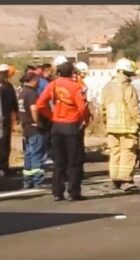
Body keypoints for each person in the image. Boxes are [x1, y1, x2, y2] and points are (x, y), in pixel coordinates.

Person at [36, 61, 88, 201]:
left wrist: (50, 115)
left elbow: (40, 104)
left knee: (59, 161)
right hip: (71, 126)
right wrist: (83, 120)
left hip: (57, 126)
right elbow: (82, 107)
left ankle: (57, 192)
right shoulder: (75, 87)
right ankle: (73, 192)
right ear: (72, 72)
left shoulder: (53, 84)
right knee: (74, 160)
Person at [101, 58, 140, 191]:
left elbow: (103, 107)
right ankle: (125, 178)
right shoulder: (128, 87)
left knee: (115, 151)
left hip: (112, 126)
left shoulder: (107, 86)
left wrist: (106, 122)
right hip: (127, 126)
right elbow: (132, 106)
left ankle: (115, 178)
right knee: (128, 151)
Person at [17, 72, 47, 188]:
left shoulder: (22, 93)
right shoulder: (32, 94)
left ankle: (27, 180)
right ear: (33, 80)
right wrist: (37, 121)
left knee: (28, 154)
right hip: (34, 128)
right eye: (37, 80)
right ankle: (38, 180)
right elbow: (34, 108)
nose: (39, 82)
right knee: (36, 154)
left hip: (26, 128)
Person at [0, 64, 19, 177]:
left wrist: (16, 113)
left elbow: (14, 101)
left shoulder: (9, 86)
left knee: (6, 144)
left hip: (7, 119)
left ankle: (5, 166)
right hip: (1, 119)